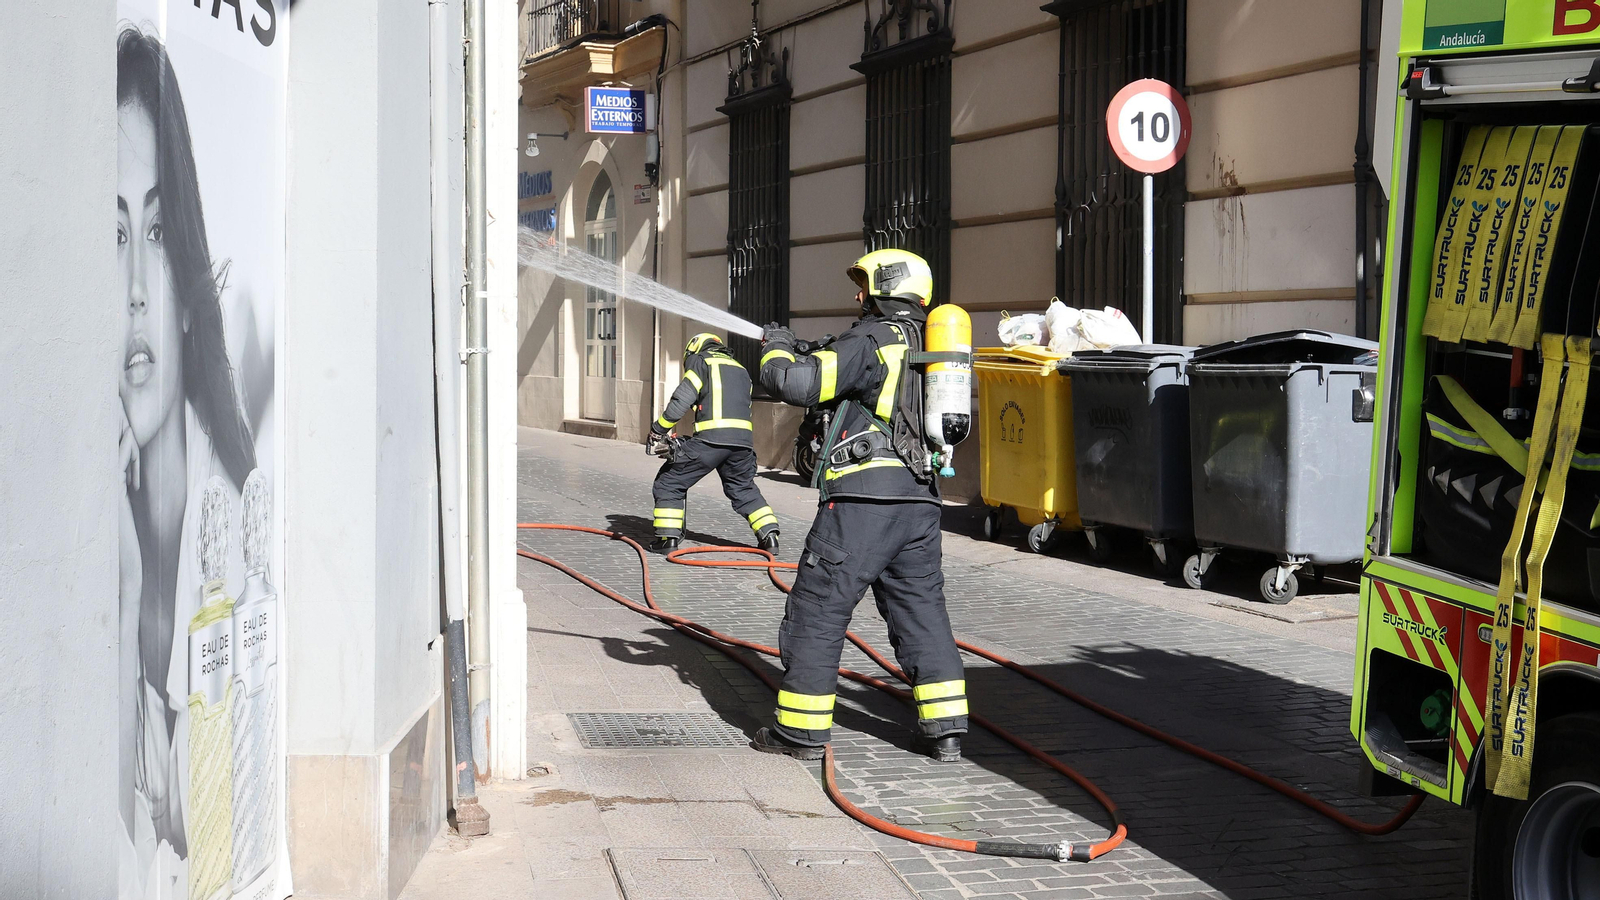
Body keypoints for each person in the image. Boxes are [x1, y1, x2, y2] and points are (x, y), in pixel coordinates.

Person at [117, 24, 260, 894]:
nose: (134, 285)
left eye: (160, 230)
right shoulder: (102, 535)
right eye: (112, 234)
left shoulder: (237, 534)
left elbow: (208, 845)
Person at [752, 249, 968, 763]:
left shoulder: (873, 338)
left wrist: (776, 349)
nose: (858, 295)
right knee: (922, 613)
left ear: (885, 287)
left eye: (864, 285)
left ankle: (800, 732)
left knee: (818, 610)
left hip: (861, 504)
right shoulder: (927, 344)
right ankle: (946, 732)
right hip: (919, 503)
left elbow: (797, 384)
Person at [647, 333, 780, 555]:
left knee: (669, 482)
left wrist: (658, 429)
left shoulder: (702, 362)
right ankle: (770, 536)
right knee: (743, 488)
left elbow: (682, 399)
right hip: (742, 445)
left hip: (710, 442)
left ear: (694, 349)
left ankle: (667, 538)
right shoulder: (741, 369)